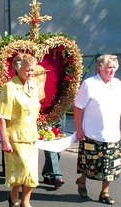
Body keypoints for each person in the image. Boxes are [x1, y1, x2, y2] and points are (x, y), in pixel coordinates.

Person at [74, 54, 121, 205]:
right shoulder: (89, 84)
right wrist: (79, 129)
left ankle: (104, 192)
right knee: (89, 164)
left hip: (113, 133)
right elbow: (78, 108)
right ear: (99, 68)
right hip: (92, 133)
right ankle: (82, 181)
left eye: (114, 67)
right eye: (108, 67)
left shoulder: (118, 84)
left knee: (110, 167)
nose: (111, 70)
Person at [0, 53, 40, 207]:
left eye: (32, 69)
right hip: (15, 138)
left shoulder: (33, 86)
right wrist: (4, 141)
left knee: (31, 172)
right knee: (22, 170)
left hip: (31, 136)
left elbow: (35, 111)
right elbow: (1, 117)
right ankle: (13, 196)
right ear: (18, 68)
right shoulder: (9, 87)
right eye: (28, 70)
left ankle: (25, 202)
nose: (31, 73)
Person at [42, 114, 66, 188]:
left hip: (61, 111)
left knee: (57, 144)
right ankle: (56, 176)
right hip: (47, 111)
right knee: (50, 143)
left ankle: (47, 174)